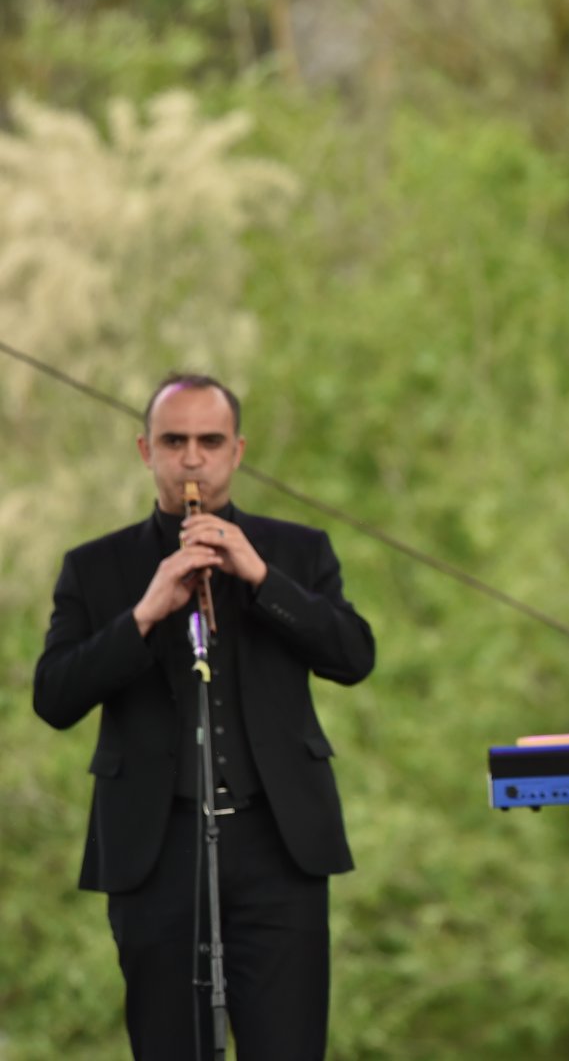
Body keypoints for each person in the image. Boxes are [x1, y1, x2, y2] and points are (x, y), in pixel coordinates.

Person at [33, 373, 375, 1060]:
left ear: (238, 451)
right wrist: (145, 612)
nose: (193, 459)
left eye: (210, 442)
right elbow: (55, 697)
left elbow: (353, 655)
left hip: (279, 848)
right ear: (145, 450)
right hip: (155, 851)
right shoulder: (96, 568)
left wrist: (261, 577)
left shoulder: (298, 551)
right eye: (175, 441)